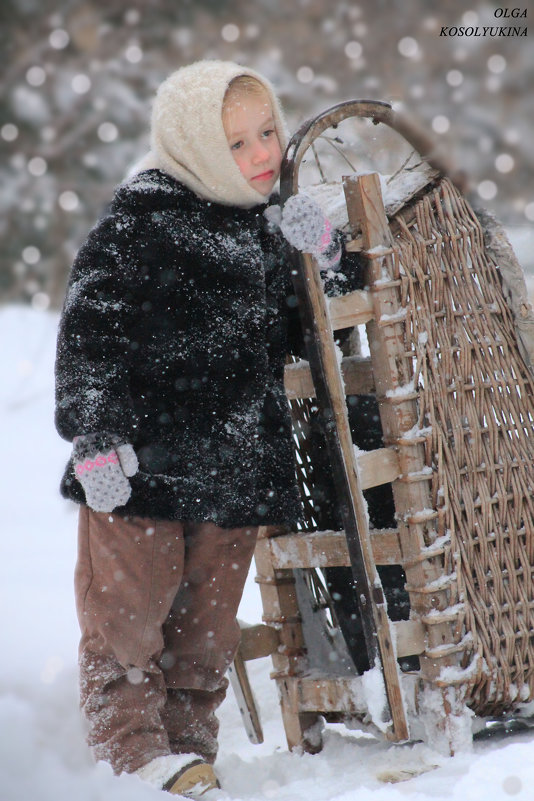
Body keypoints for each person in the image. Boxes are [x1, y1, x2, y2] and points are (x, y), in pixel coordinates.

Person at [55, 60, 344, 796]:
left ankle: (188, 754)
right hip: (139, 469)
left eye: (268, 132)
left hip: (234, 465)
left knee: (204, 637)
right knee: (129, 624)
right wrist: (96, 440)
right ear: (196, 149)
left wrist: (325, 258)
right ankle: (129, 759)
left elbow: (310, 331)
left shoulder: (268, 229)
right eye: (237, 143)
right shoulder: (141, 225)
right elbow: (91, 336)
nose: (262, 155)